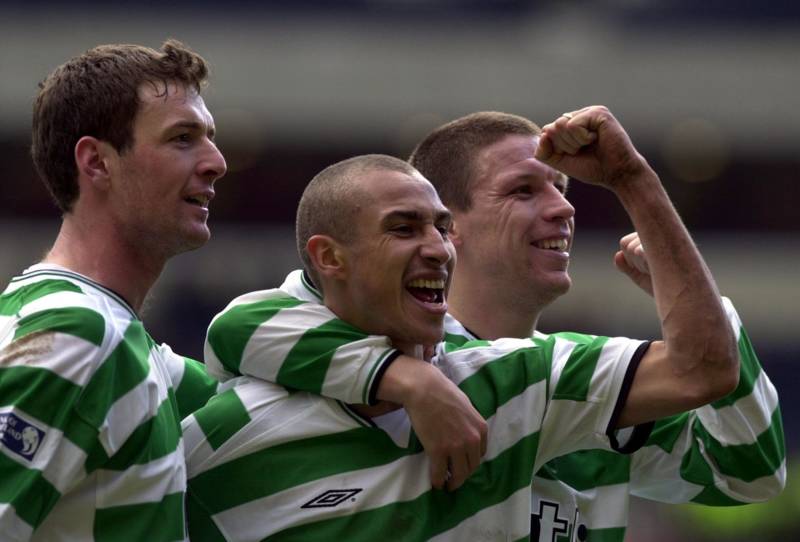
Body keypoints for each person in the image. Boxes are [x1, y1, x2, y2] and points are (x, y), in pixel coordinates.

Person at [200, 110, 785, 540]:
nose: (564, 209)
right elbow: (242, 325)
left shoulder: (572, 375)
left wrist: (696, 296)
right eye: (524, 191)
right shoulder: (369, 344)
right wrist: (410, 379)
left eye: (561, 189)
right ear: (450, 227)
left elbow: (747, 472)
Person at [0, 40, 227, 540]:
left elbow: (253, 391)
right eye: (182, 138)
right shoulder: (77, 336)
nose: (217, 162)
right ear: (97, 162)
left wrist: (401, 378)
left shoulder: (113, 336)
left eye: (209, 137)